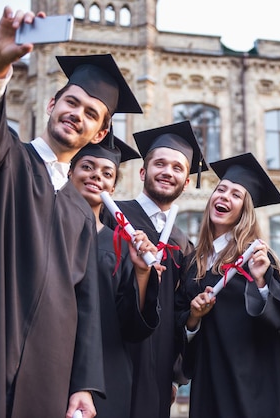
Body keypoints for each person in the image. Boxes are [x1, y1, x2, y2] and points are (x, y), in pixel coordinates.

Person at [0, 7, 143, 418]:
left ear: (99, 133)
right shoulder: (6, 162)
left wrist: (83, 384)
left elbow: (86, 305)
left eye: (89, 113)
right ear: (51, 103)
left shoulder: (82, 214)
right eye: (71, 102)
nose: (75, 114)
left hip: (49, 368)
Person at [174, 152, 280, 418]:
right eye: (220, 190)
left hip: (254, 385)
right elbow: (181, 325)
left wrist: (261, 281)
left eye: (236, 195)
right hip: (209, 380)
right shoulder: (193, 262)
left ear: (245, 209)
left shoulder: (259, 260)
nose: (224, 197)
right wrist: (193, 317)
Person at [101, 120, 206, 418]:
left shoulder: (182, 244)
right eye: (160, 163)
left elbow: (179, 312)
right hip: (111, 350)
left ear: (187, 182)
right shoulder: (113, 216)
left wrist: (173, 374)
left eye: (177, 167)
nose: (167, 172)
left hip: (156, 368)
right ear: (143, 172)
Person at [69, 135, 163, 417]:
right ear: (70, 172)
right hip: (50, 361)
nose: (96, 175)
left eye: (107, 173)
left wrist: (142, 272)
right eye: (87, 167)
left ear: (113, 186)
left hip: (106, 374)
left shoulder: (121, 245)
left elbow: (133, 326)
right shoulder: (44, 231)